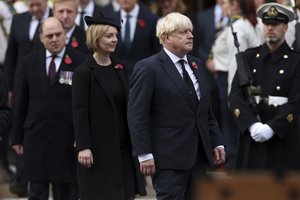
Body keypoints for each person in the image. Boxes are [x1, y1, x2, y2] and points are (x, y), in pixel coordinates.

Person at [127, 12, 226, 200]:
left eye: (191, 31)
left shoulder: (196, 64)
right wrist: (144, 153)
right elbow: (137, 114)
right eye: (183, 32)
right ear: (167, 37)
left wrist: (216, 141)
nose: (191, 36)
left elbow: (205, 111)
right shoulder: (148, 68)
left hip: (198, 156)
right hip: (168, 159)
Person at [72, 12, 146, 200]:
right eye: (109, 35)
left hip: (123, 148)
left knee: (126, 194)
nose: (115, 39)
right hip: (98, 149)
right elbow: (80, 112)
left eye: (115, 35)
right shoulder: (83, 72)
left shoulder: (119, 68)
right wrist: (84, 146)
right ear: (96, 37)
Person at [10, 17, 85, 200]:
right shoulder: (29, 62)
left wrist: (83, 138)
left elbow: (84, 104)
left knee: (66, 194)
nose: (54, 39)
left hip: (66, 141)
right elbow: (21, 101)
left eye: (58, 34)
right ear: (41, 38)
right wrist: (16, 137)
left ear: (65, 34)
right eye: (49, 35)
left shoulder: (79, 61)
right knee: (36, 192)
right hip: (36, 140)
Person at [228, 3, 300, 171]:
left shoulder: (296, 61)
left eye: (275, 24)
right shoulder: (248, 58)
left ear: (285, 27)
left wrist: (272, 128)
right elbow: (236, 96)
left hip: (283, 136)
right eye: (266, 24)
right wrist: (251, 125)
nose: (270, 28)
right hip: (253, 134)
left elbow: (296, 100)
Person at [113, 0, 161, 77]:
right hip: (117, 77)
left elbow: (158, 51)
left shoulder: (152, 20)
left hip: (144, 76)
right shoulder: (111, 19)